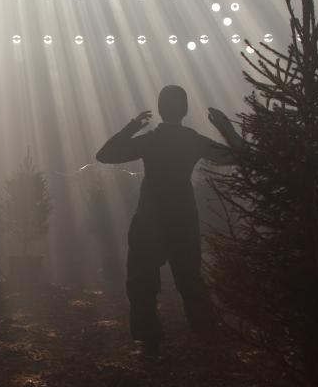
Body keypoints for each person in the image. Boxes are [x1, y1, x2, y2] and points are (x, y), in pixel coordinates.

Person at [96, 85, 244, 355]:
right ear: (185, 110)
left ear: (160, 109)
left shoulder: (151, 140)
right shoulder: (193, 140)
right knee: (190, 279)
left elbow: (104, 155)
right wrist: (226, 127)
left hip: (150, 216)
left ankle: (148, 341)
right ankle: (209, 336)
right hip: (182, 216)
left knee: (141, 281)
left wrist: (132, 126)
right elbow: (237, 155)